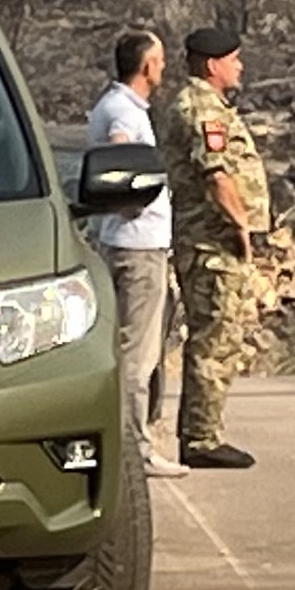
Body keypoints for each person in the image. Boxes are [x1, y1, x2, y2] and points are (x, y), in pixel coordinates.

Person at [159, 21, 271, 471]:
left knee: (225, 334)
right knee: (215, 336)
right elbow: (216, 174)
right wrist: (240, 224)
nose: (240, 66)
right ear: (212, 65)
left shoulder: (211, 105)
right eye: (234, 59)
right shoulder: (200, 108)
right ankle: (202, 438)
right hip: (211, 242)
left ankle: (206, 431)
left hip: (214, 242)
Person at [86, 28, 182, 476]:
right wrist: (132, 200)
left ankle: (131, 444)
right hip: (138, 248)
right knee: (135, 356)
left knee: (134, 349)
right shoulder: (124, 112)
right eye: (160, 61)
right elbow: (121, 156)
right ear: (146, 66)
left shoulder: (114, 104)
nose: (163, 69)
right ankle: (133, 450)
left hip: (129, 243)